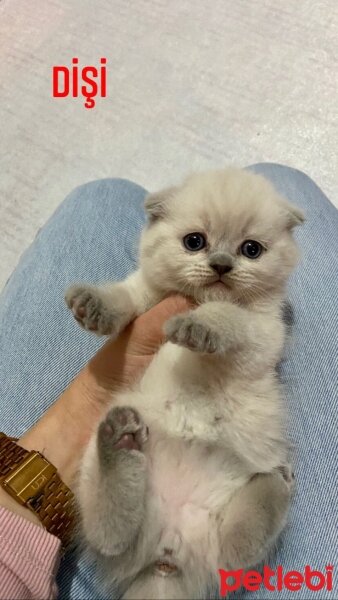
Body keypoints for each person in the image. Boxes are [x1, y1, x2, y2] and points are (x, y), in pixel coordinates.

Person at [0, 164, 337, 600]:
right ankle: (219, 533)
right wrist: (112, 306)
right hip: (205, 464)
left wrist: (217, 324)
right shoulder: (162, 280)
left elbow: (256, 339)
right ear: (156, 224)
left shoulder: (262, 310)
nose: (220, 263)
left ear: (287, 246)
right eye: (195, 243)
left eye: (250, 250)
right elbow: (135, 293)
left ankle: (137, 521)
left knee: (101, 194)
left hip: (198, 455)